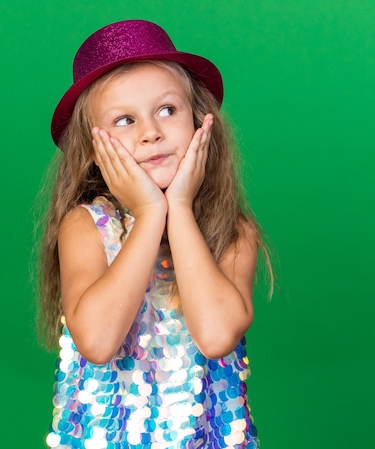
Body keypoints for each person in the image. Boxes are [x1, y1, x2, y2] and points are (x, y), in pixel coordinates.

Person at [39, 19, 271, 449]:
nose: (151, 132)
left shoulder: (233, 233)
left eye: (167, 110)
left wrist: (178, 208)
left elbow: (217, 335)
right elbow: (98, 341)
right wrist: (149, 214)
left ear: (203, 121)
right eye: (125, 120)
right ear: (93, 151)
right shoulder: (86, 227)